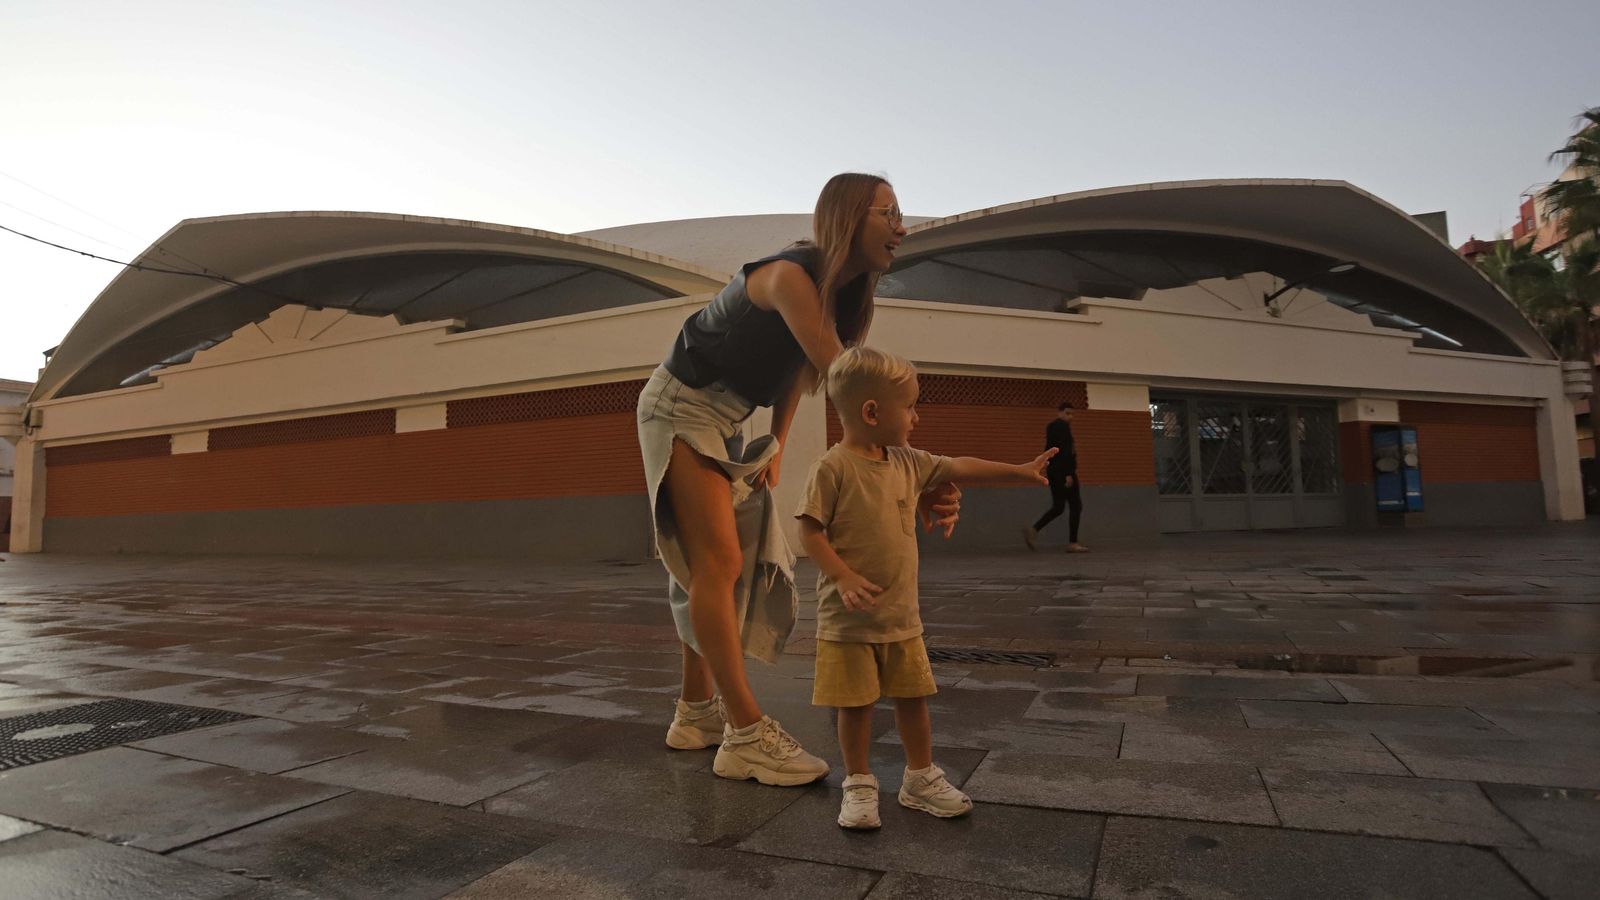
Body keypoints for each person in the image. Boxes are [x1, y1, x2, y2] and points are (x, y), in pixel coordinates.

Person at [636, 173, 961, 787]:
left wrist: (779, 440)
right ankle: (745, 734)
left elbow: (798, 374)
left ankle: (695, 713)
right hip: (678, 407)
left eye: (901, 214)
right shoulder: (789, 276)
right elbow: (854, 391)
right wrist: (919, 473)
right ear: (846, 218)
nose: (902, 227)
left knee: (709, 569)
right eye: (888, 213)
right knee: (719, 563)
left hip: (725, 418)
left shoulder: (837, 295)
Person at [796, 346, 1054, 829]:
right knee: (853, 708)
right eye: (910, 406)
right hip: (848, 621)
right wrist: (843, 575)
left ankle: (920, 778)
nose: (917, 416)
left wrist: (1018, 471)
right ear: (872, 412)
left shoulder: (909, 462)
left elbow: (961, 466)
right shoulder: (832, 468)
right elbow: (809, 532)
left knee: (914, 699)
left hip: (901, 617)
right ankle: (858, 782)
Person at [1024, 401, 1087, 552]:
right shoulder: (1062, 427)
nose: (1070, 417)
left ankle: (1034, 529)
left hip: (1054, 471)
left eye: (1072, 414)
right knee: (1076, 506)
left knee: (1058, 507)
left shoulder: (1052, 427)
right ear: (1059, 412)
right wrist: (1068, 474)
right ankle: (1073, 543)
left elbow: (1050, 451)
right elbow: (1065, 452)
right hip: (1064, 472)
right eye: (1067, 413)